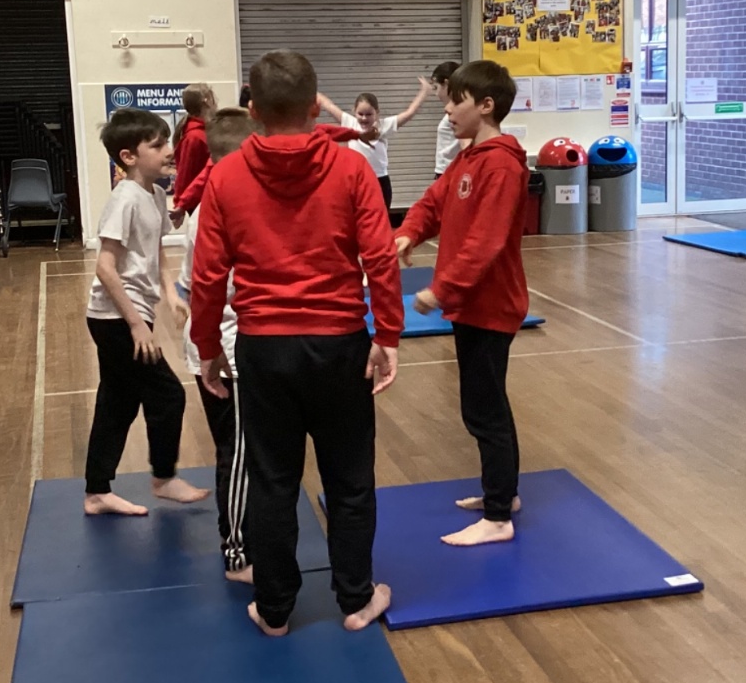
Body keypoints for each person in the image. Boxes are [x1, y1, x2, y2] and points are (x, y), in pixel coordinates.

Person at [191, 50, 402, 635]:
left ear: (253, 111)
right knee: (350, 480)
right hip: (339, 346)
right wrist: (388, 334)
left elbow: (208, 276)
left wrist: (207, 347)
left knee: (273, 481)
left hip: (265, 350)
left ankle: (275, 609)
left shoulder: (225, 176)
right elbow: (380, 258)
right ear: (315, 107)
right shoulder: (352, 169)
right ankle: (356, 600)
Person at [395, 60, 530, 546]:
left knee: (484, 410)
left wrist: (441, 289)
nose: (448, 110)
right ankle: (504, 493)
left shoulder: (501, 164)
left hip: (491, 306)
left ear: (486, 105)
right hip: (472, 306)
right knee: (484, 405)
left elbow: (486, 241)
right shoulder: (469, 157)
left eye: (457, 101)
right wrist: (408, 233)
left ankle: (498, 517)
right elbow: (434, 202)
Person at [83, 108, 209, 516]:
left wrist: (171, 294)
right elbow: (105, 267)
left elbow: (155, 251)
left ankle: (97, 491)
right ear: (129, 156)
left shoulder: (153, 194)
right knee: (169, 395)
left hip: (128, 315)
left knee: (117, 402)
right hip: (115, 319)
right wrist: (137, 324)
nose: (170, 151)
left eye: (167, 141)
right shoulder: (124, 199)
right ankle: (163, 478)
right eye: (157, 145)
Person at [175, 109, 258, 582]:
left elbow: (188, 287)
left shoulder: (211, 206)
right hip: (226, 353)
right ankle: (238, 552)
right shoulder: (216, 210)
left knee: (244, 448)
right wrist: (211, 350)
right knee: (238, 451)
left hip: (219, 347)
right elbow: (204, 289)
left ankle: (246, 536)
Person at [320, 78, 435, 208]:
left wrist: (424, 92)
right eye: (360, 114)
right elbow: (328, 106)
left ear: (377, 113)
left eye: (369, 114)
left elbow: (409, 113)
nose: (364, 118)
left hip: (380, 179)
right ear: (354, 111)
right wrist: (312, 92)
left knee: (381, 216)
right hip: (357, 179)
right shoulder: (350, 122)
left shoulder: (384, 126)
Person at [170, 83, 217, 220]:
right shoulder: (195, 137)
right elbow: (185, 173)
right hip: (200, 202)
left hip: (205, 197)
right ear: (207, 101)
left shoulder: (204, 132)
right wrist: (180, 203)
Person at [430, 61, 465, 179]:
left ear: (446, 83)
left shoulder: (458, 111)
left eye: (436, 88)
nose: (436, 94)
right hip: (447, 171)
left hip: (450, 172)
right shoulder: (454, 109)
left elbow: (466, 144)